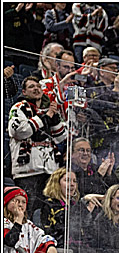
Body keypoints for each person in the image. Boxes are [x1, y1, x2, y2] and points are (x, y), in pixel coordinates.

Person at [8, 75, 68, 210]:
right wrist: (44, 118)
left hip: (50, 172)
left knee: (48, 211)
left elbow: (60, 137)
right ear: (24, 92)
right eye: (31, 87)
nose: (36, 89)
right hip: (27, 172)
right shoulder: (18, 107)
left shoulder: (49, 110)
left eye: (38, 86)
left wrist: (55, 118)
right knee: (26, 211)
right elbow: (19, 131)